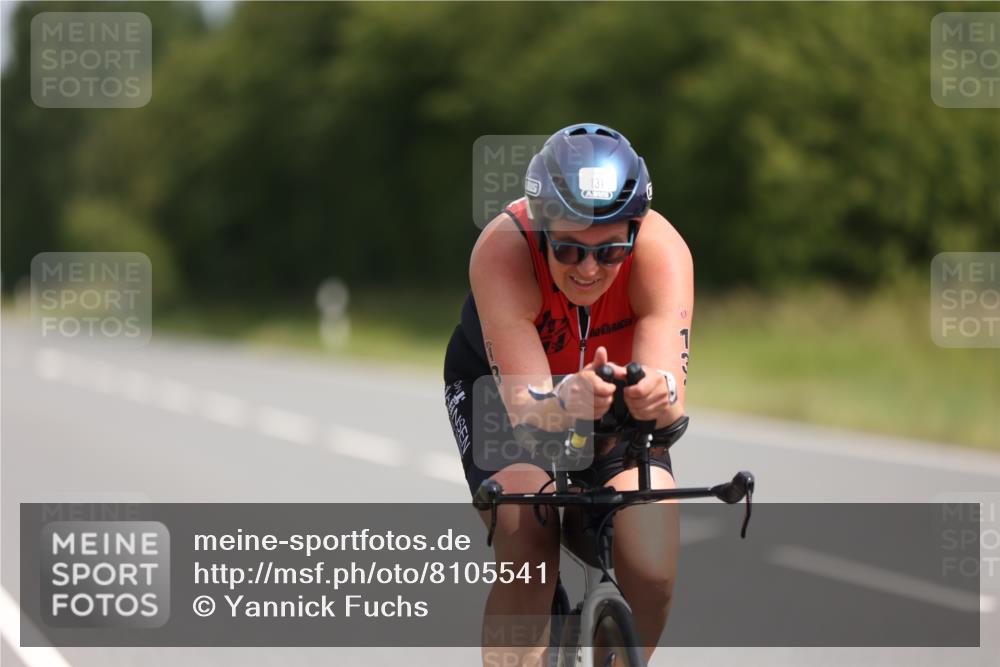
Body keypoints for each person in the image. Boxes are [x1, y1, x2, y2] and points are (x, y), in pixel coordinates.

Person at [444, 123, 693, 665]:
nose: (588, 269)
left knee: (651, 567)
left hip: (608, 398)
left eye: (610, 252)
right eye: (568, 249)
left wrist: (656, 392)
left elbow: (670, 398)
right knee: (526, 540)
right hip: (503, 389)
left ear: (635, 229)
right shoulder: (503, 251)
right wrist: (566, 400)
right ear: (539, 232)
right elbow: (529, 410)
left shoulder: (663, 252)